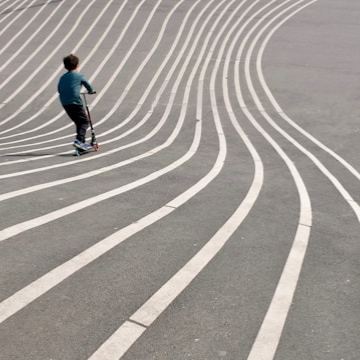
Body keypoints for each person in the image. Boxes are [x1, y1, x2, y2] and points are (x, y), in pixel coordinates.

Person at [58, 54, 96, 150]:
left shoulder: (62, 77)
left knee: (78, 122)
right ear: (77, 65)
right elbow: (87, 85)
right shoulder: (79, 75)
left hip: (65, 102)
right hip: (75, 101)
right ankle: (78, 141)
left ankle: (81, 143)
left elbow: (59, 89)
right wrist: (91, 91)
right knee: (84, 122)